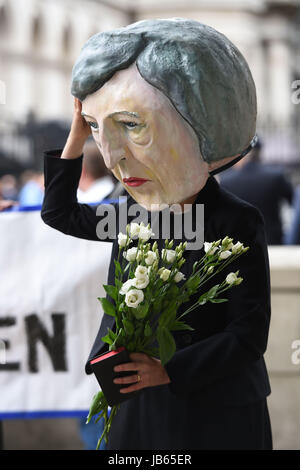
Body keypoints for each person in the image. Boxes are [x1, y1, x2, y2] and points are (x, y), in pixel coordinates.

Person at [41, 18, 272, 450]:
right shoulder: (130, 215)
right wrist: (76, 133)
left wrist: (169, 370)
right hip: (141, 402)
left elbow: (248, 333)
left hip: (216, 407)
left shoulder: (237, 221)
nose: (113, 158)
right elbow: (58, 213)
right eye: (97, 127)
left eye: (131, 124)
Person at [220, 140, 294, 245]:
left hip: (239, 246)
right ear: (259, 153)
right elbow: (294, 203)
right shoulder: (276, 176)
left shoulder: (226, 181)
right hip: (272, 243)